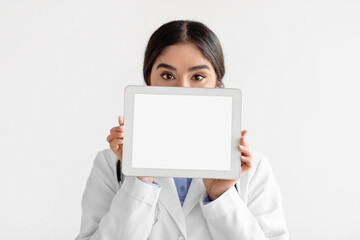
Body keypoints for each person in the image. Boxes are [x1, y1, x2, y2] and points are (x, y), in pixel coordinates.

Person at [75, 20, 289, 240]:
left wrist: (222, 196)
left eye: (198, 77)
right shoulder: (111, 165)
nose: (183, 90)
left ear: (217, 83)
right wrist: (140, 181)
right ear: (149, 80)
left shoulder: (253, 170)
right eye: (168, 76)